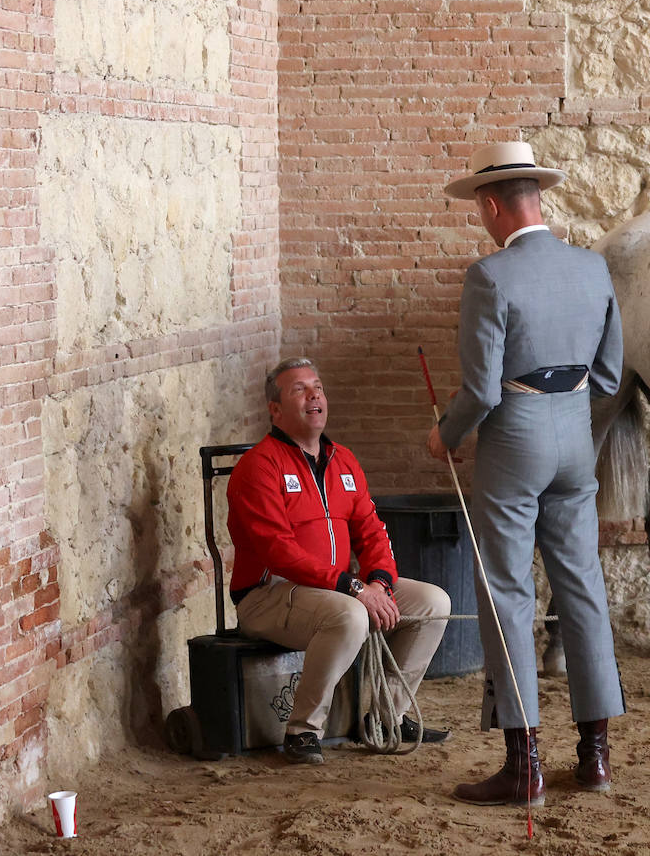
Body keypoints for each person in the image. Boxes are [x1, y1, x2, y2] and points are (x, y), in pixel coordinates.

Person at [429, 141, 625, 806]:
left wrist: (445, 434)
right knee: (582, 588)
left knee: (507, 590)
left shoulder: (489, 277)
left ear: (490, 206)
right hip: (576, 435)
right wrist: (568, 411)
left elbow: (480, 392)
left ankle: (524, 766)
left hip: (514, 437)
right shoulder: (592, 268)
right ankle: (595, 756)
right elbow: (610, 375)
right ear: (536, 198)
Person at [228, 357, 452, 764]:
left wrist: (380, 583)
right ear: (275, 410)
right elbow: (278, 551)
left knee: (433, 602)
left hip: (336, 589)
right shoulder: (257, 467)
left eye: (318, 387)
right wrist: (354, 588)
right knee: (351, 615)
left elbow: (372, 530)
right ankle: (302, 730)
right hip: (269, 596)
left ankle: (386, 717)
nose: (314, 395)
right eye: (299, 389)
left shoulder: (343, 460)